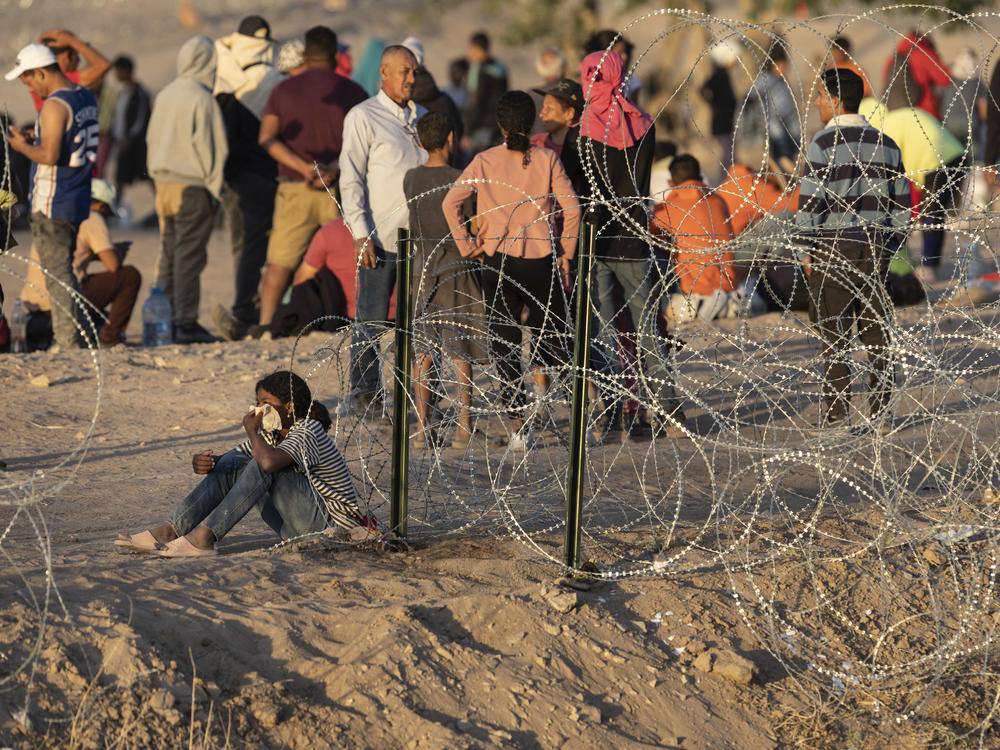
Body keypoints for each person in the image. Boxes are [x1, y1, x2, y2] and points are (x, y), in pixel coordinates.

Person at [443, 91, 580, 449]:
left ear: (501, 125)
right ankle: (555, 405)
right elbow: (573, 209)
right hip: (540, 258)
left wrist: (469, 245)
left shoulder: (484, 160)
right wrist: (566, 253)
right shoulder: (548, 159)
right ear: (532, 122)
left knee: (505, 342)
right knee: (549, 334)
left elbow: (450, 203)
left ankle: (519, 425)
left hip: (498, 259)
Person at [114, 371, 365, 557]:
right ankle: (172, 529)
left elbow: (266, 462)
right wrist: (205, 462)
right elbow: (230, 463)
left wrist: (251, 431)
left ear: (289, 406)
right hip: (297, 526)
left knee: (261, 463)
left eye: (265, 404)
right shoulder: (272, 434)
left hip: (332, 528)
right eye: (257, 403)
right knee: (237, 461)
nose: (257, 411)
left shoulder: (308, 429)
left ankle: (204, 538)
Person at [577, 50, 688, 438]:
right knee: (647, 332)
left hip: (598, 242)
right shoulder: (644, 125)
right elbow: (635, 184)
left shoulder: (586, 130)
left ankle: (612, 415)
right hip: (634, 240)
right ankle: (670, 411)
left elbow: (584, 189)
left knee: (605, 331)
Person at [796, 68, 911, 427]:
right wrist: (888, 246)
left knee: (834, 332)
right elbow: (902, 205)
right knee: (876, 333)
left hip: (834, 248)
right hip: (875, 248)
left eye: (819, 95)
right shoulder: (887, 144)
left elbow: (811, 205)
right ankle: (881, 413)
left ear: (834, 100)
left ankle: (836, 416)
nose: (816, 102)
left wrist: (804, 250)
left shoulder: (823, 144)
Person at [255, 26, 367, 331]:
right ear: (336, 56)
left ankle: (267, 326)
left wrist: (303, 167)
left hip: (295, 187)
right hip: (340, 189)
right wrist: (331, 168)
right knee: (346, 260)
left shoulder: (283, 90)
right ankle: (354, 319)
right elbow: (363, 144)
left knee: (280, 264)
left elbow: (267, 138)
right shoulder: (354, 92)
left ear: (304, 54)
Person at [339, 45, 427, 411]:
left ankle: (418, 396)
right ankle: (365, 394)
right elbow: (351, 177)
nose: (411, 78)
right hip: (379, 239)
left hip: (421, 240)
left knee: (418, 323)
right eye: (405, 71)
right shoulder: (364, 117)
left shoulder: (422, 117)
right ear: (384, 73)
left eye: (414, 72)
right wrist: (361, 233)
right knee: (371, 320)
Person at [6, 44, 98, 350]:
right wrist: (38, 135)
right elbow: (67, 141)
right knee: (65, 271)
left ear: (41, 72)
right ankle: (84, 335)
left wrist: (20, 147)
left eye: (29, 80)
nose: (29, 86)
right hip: (77, 195)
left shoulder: (55, 106)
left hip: (53, 199)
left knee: (56, 275)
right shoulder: (83, 97)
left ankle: (68, 342)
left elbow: (49, 155)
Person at [404, 111, 486, 448]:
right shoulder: (461, 177)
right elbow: (473, 221)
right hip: (456, 265)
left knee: (422, 349)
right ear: (451, 139)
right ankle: (464, 425)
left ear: (421, 142)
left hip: (422, 265)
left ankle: (423, 427)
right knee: (460, 347)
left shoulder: (410, 177)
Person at [146, 36, 228, 344]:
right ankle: (184, 321)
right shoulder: (201, 98)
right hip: (192, 186)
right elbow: (214, 150)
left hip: (163, 185)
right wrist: (215, 190)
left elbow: (150, 140)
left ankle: (165, 318)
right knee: (188, 256)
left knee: (168, 252)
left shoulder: (166, 94)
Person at [211, 15, 285, 341]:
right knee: (265, 244)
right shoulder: (276, 80)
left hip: (233, 176)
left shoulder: (221, 78)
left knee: (244, 244)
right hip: (266, 174)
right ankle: (252, 308)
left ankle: (245, 307)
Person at [862, 58, 965, 282]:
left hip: (937, 162)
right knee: (936, 216)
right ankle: (930, 264)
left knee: (930, 216)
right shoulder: (903, 115)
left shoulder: (886, 127)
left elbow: (888, 172)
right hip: (956, 156)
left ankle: (928, 267)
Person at [650, 154, 739, 324]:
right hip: (729, 284)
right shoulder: (718, 199)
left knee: (650, 250)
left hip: (694, 289)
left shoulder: (669, 207)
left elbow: (648, 234)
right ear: (700, 176)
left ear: (671, 183)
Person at [73, 179, 142, 346]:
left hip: (38, 299)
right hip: (67, 296)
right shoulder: (92, 216)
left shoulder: (65, 210)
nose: (105, 218)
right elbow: (112, 266)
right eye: (106, 213)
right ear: (99, 206)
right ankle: (110, 337)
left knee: (100, 316)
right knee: (130, 275)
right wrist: (117, 253)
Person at [31, 28, 110, 111]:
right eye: (76, 55)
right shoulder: (62, 80)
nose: (78, 60)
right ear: (66, 56)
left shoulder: (40, 77)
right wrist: (71, 40)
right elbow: (103, 65)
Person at [109, 56, 151, 203]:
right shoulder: (123, 92)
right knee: (120, 179)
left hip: (136, 144)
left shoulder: (139, 93)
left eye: (119, 71)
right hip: (122, 143)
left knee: (147, 176)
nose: (117, 75)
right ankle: (114, 210)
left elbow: (140, 119)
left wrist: (130, 138)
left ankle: (162, 208)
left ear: (127, 71)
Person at [883, 31, 951, 120]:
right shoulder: (923, 53)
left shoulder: (892, 58)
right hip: (924, 112)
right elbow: (945, 79)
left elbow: (885, 81)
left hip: (896, 113)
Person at [700, 38, 739, 180]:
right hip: (721, 123)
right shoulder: (719, 75)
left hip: (728, 122)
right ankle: (725, 182)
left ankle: (731, 180)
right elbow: (703, 89)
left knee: (732, 154)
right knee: (728, 155)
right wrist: (715, 105)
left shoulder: (725, 75)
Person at [463, 32, 508, 153]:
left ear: (476, 48)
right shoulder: (500, 67)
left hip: (480, 127)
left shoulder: (477, 69)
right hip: (498, 124)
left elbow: (475, 101)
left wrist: (468, 131)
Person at [530, 78, 583, 156]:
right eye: (543, 107)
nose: (541, 114)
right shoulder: (536, 143)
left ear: (569, 113)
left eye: (549, 108)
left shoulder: (583, 151)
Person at [529, 46, 568, 135]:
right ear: (565, 69)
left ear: (537, 70)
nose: (542, 114)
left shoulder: (531, 95)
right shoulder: (572, 92)